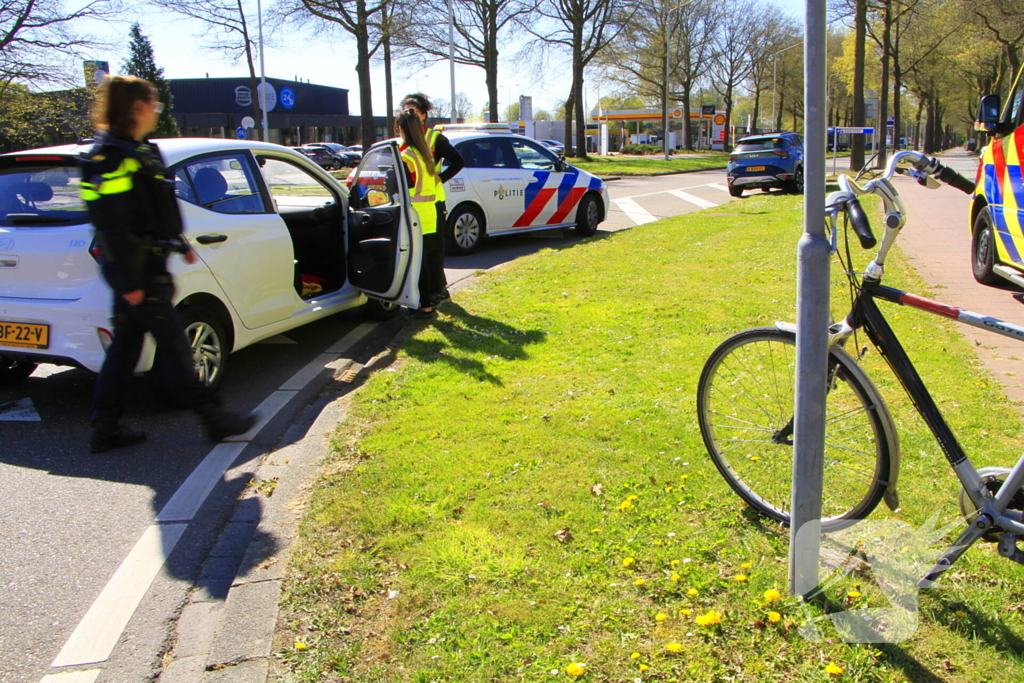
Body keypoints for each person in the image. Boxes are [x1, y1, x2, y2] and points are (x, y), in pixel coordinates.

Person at [82, 75, 257, 453]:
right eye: (155, 104)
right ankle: (215, 419)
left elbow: (155, 204)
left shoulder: (141, 150)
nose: (157, 111)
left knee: (125, 349)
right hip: (138, 272)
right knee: (176, 347)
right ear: (137, 108)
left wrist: (178, 242)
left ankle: (105, 426)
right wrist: (129, 281)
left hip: (147, 266)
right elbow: (111, 225)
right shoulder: (110, 158)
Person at [399, 94, 465, 316]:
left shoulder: (433, 138)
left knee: (431, 250)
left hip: (431, 201)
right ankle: (432, 293)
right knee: (425, 251)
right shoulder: (403, 143)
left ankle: (434, 294)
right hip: (419, 202)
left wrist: (439, 178)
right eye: (406, 112)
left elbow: (458, 161)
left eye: (414, 112)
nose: (411, 116)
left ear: (423, 115)